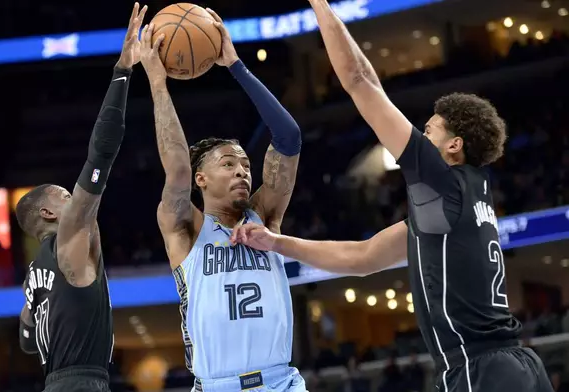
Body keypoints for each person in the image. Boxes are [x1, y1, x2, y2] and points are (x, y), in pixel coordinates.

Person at [230, 1, 554, 391]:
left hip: (480, 367)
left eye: (429, 130)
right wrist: (278, 243)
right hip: (515, 365)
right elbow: (363, 258)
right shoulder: (467, 197)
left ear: (454, 146)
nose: (420, 135)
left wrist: (320, 6)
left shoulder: (442, 185)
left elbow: (359, 79)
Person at [138, 8, 306, 392]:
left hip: (282, 383)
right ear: (201, 179)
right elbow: (177, 169)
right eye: (228, 164)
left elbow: (289, 137)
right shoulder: (185, 226)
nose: (242, 171)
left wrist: (235, 65)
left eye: (246, 165)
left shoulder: (266, 214)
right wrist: (158, 83)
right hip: (218, 386)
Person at [14, 4, 147, 391]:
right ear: (48, 213)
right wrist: (122, 72)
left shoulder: (34, 276)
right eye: (64, 196)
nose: (74, 197)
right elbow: (101, 152)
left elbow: (25, 341)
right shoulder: (69, 235)